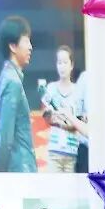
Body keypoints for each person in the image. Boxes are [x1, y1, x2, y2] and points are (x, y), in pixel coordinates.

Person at [0, 15, 36, 173]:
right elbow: (5, 137)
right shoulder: (12, 82)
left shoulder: (8, 75)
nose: (30, 47)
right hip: (20, 168)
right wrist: (0, 176)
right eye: (26, 41)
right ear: (13, 46)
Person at [41, 45, 86, 174]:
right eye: (59, 63)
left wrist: (64, 121)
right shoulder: (50, 88)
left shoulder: (78, 90)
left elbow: (80, 122)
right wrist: (59, 120)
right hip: (54, 152)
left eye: (65, 62)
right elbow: (46, 117)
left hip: (73, 153)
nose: (62, 66)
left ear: (71, 65)